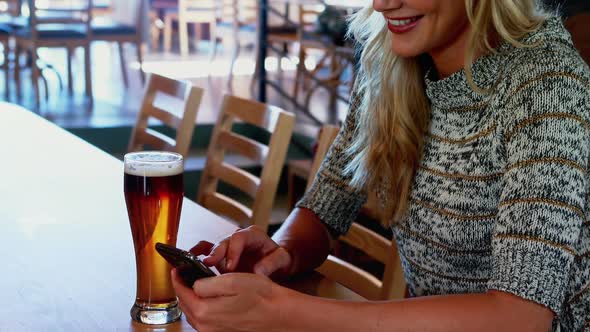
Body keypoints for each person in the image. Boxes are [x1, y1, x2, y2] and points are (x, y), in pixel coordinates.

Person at [171, 0, 590, 331]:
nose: (383, 3)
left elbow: (520, 318)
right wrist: (281, 252)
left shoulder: (544, 81)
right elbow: (326, 203)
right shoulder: (387, 60)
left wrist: (283, 313)